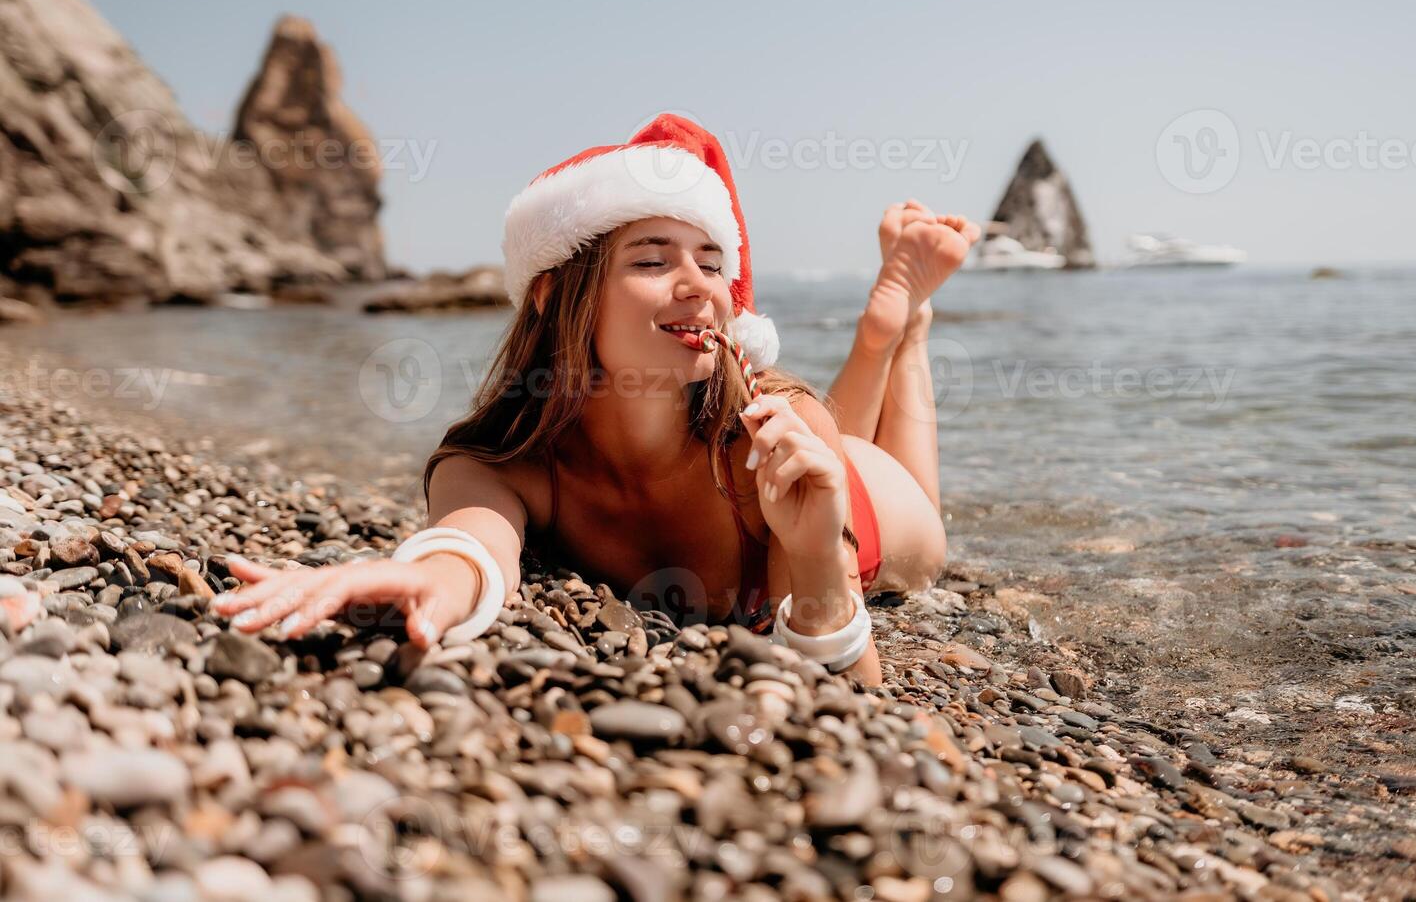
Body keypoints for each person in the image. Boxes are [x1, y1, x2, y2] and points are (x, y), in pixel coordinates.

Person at [212, 114, 975, 686]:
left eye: (713, 263)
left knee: (903, 507)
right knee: (826, 436)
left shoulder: (769, 435)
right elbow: (472, 546)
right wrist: (429, 585)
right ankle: (889, 333)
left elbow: (853, 685)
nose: (699, 284)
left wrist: (814, 560)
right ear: (552, 294)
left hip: (867, 508)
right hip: (811, 472)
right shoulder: (504, 462)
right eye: (652, 258)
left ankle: (898, 338)